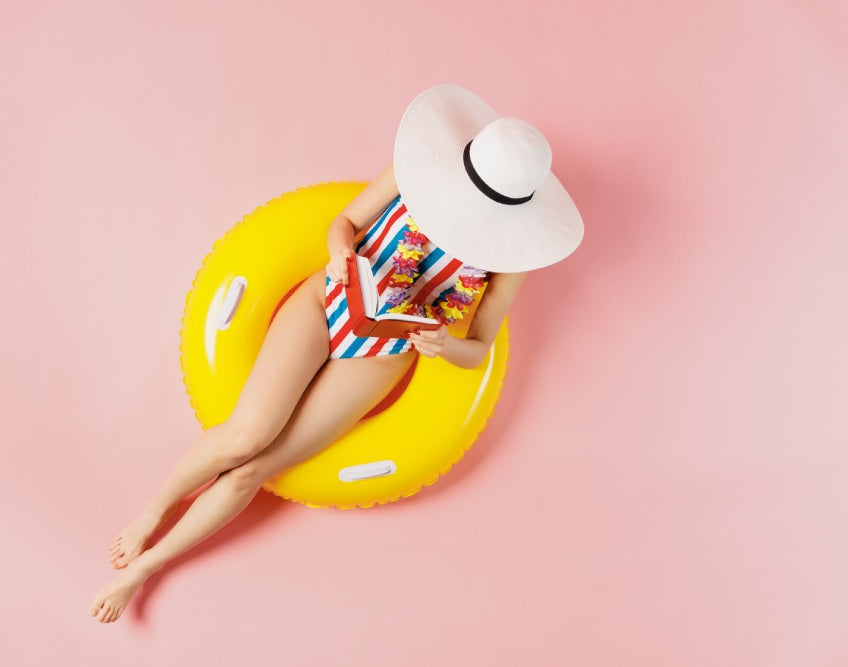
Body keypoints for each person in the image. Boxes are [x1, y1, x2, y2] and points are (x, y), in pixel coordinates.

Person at [88, 83, 584, 623]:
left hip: (384, 352)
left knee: (252, 472)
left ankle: (146, 568)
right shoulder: (415, 174)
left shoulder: (511, 256)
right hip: (327, 301)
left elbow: (480, 346)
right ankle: (151, 513)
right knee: (245, 436)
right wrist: (342, 254)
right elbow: (342, 222)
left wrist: (446, 345)